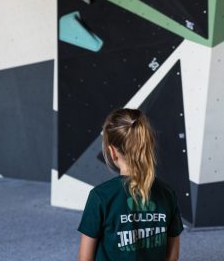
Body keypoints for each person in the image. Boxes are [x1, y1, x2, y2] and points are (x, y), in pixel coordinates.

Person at [77, 109, 183, 261]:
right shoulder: (167, 193)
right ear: (149, 146)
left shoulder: (100, 196)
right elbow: (173, 253)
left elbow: (84, 258)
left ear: (112, 152)